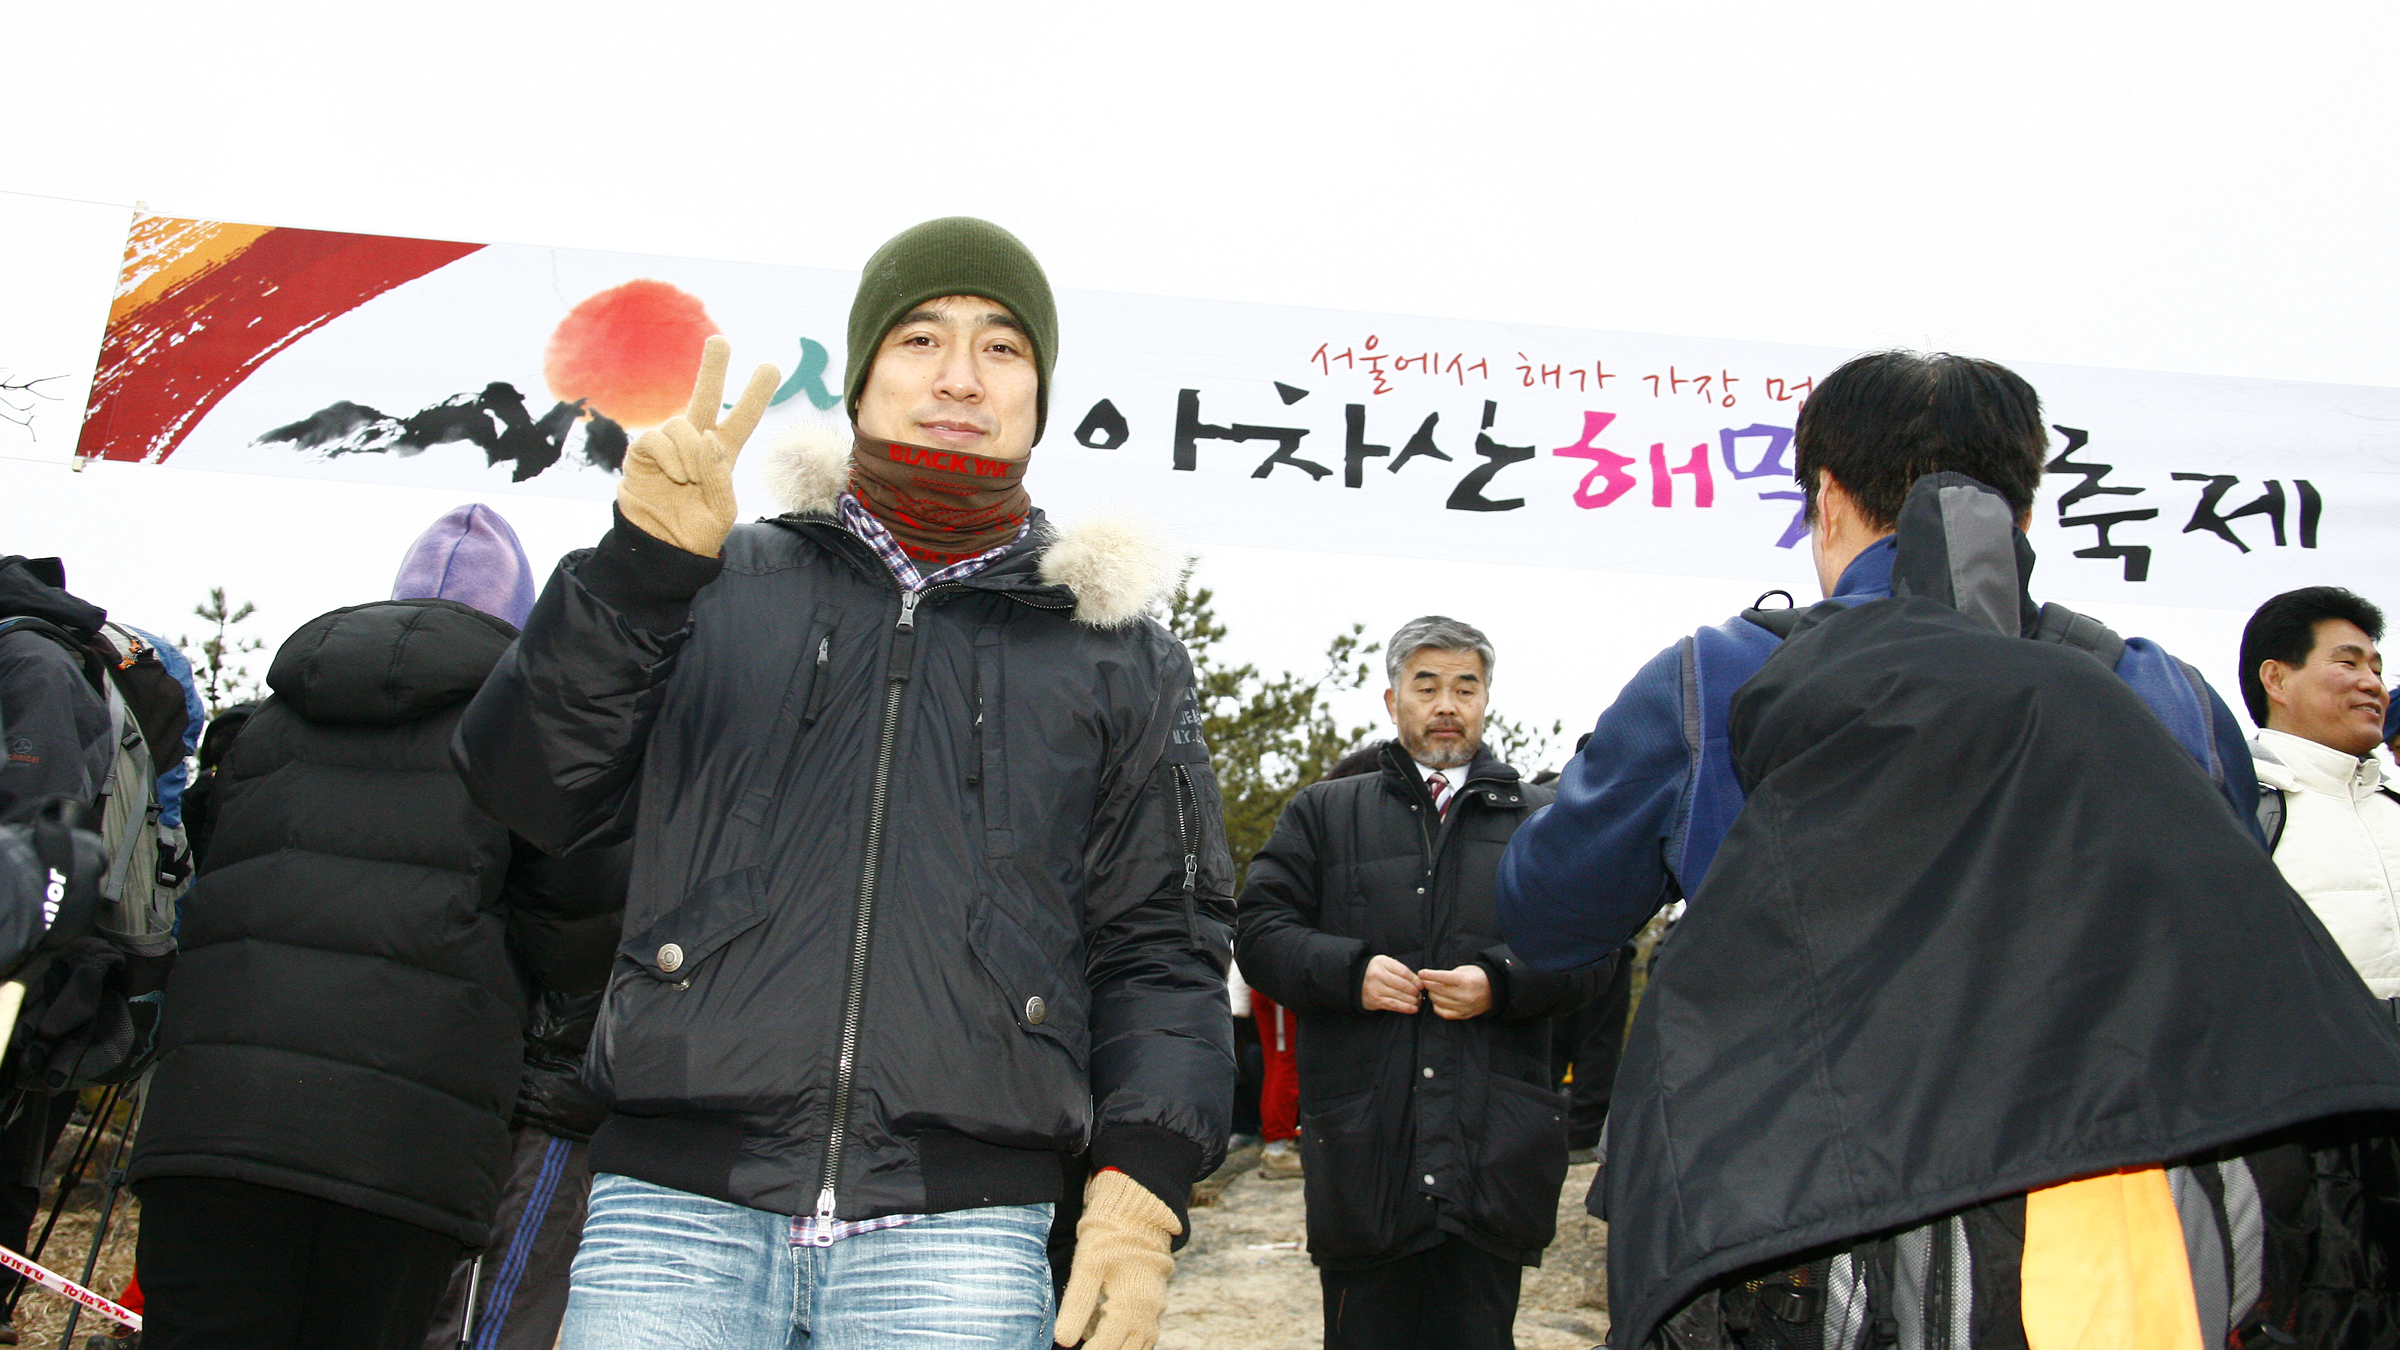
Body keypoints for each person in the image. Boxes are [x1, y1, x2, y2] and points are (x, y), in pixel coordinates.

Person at [1499, 352, 2400, 1346]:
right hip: (2134, 1225)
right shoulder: (2158, 691)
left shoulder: (1717, 680)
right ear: (2021, 513)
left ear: (1828, 500)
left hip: (1803, 1231)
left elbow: (1547, 918)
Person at [453, 216, 1235, 1350]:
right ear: (863, 375)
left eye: (1002, 347)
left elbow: (1162, 940)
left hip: (961, 1230)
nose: (960, 376)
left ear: (1039, 395)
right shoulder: (717, 572)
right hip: (676, 1211)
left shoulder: (1122, 653)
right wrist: (637, 577)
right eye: (920, 339)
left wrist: (1142, 1179)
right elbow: (528, 790)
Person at [129, 504, 626, 1350]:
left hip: (212, 1127)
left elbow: (203, 880)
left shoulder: (262, 730)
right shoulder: (529, 739)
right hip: (406, 1154)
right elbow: (572, 944)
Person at [1238, 616, 1603, 1350]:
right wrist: (1350, 973)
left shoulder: (1542, 822)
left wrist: (1500, 982)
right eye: (1426, 685)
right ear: (1391, 699)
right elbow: (1259, 934)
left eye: (1465, 686)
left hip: (1491, 1150)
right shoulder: (1325, 813)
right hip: (1365, 1152)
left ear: (1486, 700)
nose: (1446, 703)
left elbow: (1594, 951)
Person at [2240, 586, 2400, 1002]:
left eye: (2377, 671)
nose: (2373, 685)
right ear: (2276, 678)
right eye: (2348, 663)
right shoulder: (2234, 809)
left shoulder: (2394, 808)